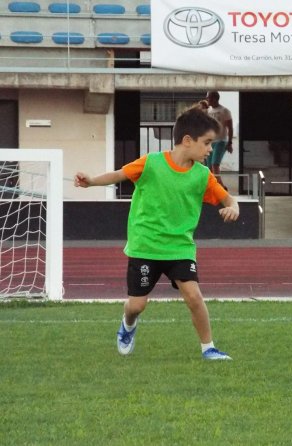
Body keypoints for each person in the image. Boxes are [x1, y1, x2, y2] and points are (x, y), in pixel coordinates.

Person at [74, 107, 239, 360]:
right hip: (146, 246)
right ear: (187, 141)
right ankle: (128, 324)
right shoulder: (151, 162)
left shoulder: (203, 175)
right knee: (137, 305)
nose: (209, 149)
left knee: (194, 296)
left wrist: (233, 207)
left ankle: (209, 348)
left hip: (180, 248)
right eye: (207, 143)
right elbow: (119, 174)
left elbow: (229, 200)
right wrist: (92, 180)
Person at [205, 91, 233, 187]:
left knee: (215, 164)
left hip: (221, 141)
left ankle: (221, 187)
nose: (207, 99)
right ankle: (214, 188)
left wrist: (230, 143)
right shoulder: (208, 111)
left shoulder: (224, 111)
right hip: (210, 142)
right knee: (209, 168)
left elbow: (230, 127)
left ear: (215, 99)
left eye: (209, 98)